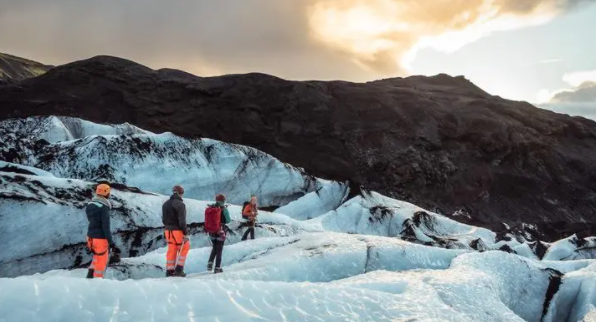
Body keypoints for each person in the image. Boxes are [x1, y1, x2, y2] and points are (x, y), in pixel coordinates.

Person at [86, 183, 120, 279]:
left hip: (90, 237)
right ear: (106, 193)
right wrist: (111, 242)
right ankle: (97, 283)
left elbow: (91, 221)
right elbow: (105, 227)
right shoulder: (104, 208)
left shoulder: (90, 204)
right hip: (100, 239)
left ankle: (89, 277)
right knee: (101, 263)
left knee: (96, 257)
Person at [162, 185, 190, 277]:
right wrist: (185, 233)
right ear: (180, 193)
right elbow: (182, 221)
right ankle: (179, 269)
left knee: (171, 249)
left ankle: (170, 271)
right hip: (177, 231)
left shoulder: (165, 204)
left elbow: (163, 220)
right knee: (185, 246)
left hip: (167, 231)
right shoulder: (180, 204)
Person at [207, 193, 231, 273]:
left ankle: (210, 263)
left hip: (212, 232)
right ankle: (217, 268)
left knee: (214, 247)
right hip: (220, 231)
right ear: (223, 200)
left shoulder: (211, 207)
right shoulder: (224, 209)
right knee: (219, 250)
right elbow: (228, 220)